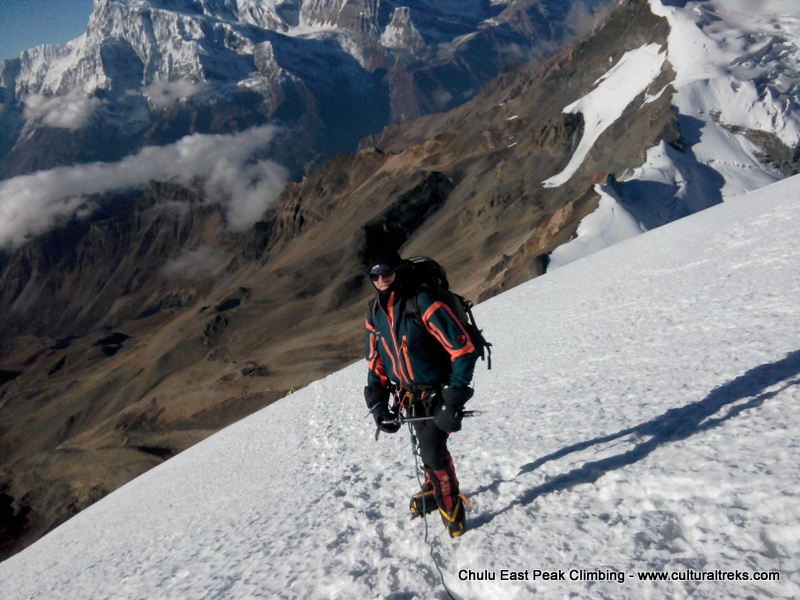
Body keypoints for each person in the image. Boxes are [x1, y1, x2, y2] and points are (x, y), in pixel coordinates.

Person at [363, 248, 480, 537]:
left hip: (438, 392)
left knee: (433, 453)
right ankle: (432, 490)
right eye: (375, 275)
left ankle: (451, 510)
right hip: (408, 397)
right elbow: (375, 360)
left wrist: (452, 400)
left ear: (398, 270)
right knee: (424, 447)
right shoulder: (375, 312)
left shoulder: (423, 301)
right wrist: (377, 403)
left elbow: (463, 351)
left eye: (386, 272)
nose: (381, 279)